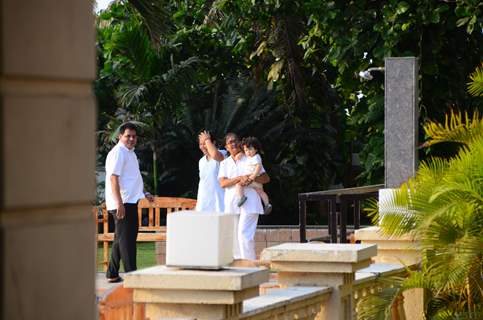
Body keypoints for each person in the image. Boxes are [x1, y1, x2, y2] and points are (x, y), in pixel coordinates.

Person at [105, 122, 154, 283]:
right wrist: (119, 203)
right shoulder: (119, 152)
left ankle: (112, 273)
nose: (131, 139)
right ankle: (133, 277)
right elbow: (114, 178)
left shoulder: (130, 153)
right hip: (123, 203)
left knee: (120, 239)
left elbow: (133, 178)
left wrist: (145, 192)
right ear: (120, 136)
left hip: (129, 201)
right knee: (127, 241)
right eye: (128, 136)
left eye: (134, 136)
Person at [218, 133, 270, 260]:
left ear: (240, 143)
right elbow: (223, 183)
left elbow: (266, 178)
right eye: (230, 142)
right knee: (234, 236)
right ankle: (238, 265)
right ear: (226, 147)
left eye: (235, 141)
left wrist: (251, 178)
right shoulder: (224, 163)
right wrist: (239, 179)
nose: (233, 143)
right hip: (232, 202)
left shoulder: (250, 158)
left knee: (244, 234)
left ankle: (250, 265)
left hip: (251, 201)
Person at [235, 137, 272, 215]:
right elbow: (243, 153)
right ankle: (267, 204)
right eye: (246, 150)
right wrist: (241, 153)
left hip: (251, 178)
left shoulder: (256, 157)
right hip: (254, 181)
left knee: (238, 184)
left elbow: (258, 167)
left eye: (250, 149)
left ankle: (241, 197)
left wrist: (253, 176)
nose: (248, 152)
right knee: (260, 192)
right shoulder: (248, 157)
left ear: (256, 149)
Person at [195, 130, 227, 212]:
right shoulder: (201, 161)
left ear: (213, 143)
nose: (203, 146)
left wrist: (207, 139)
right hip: (203, 203)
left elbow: (215, 155)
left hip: (220, 203)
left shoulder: (223, 153)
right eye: (201, 144)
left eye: (205, 143)